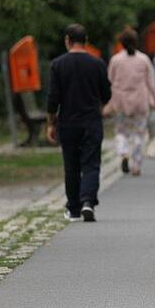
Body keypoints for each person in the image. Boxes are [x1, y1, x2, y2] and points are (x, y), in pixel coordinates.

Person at [47, 24, 112, 222]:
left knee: (71, 166)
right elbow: (106, 94)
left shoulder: (57, 65)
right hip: (91, 121)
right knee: (91, 164)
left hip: (68, 122)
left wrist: (51, 123)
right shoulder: (97, 64)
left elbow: (53, 98)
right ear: (86, 40)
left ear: (67, 40)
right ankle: (88, 202)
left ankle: (73, 208)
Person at [107, 27, 155, 176]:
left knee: (121, 131)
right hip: (140, 101)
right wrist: (154, 96)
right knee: (139, 133)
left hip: (120, 101)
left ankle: (123, 153)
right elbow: (151, 81)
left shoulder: (116, 60)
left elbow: (110, 79)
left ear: (121, 43)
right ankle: (136, 165)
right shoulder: (143, 59)